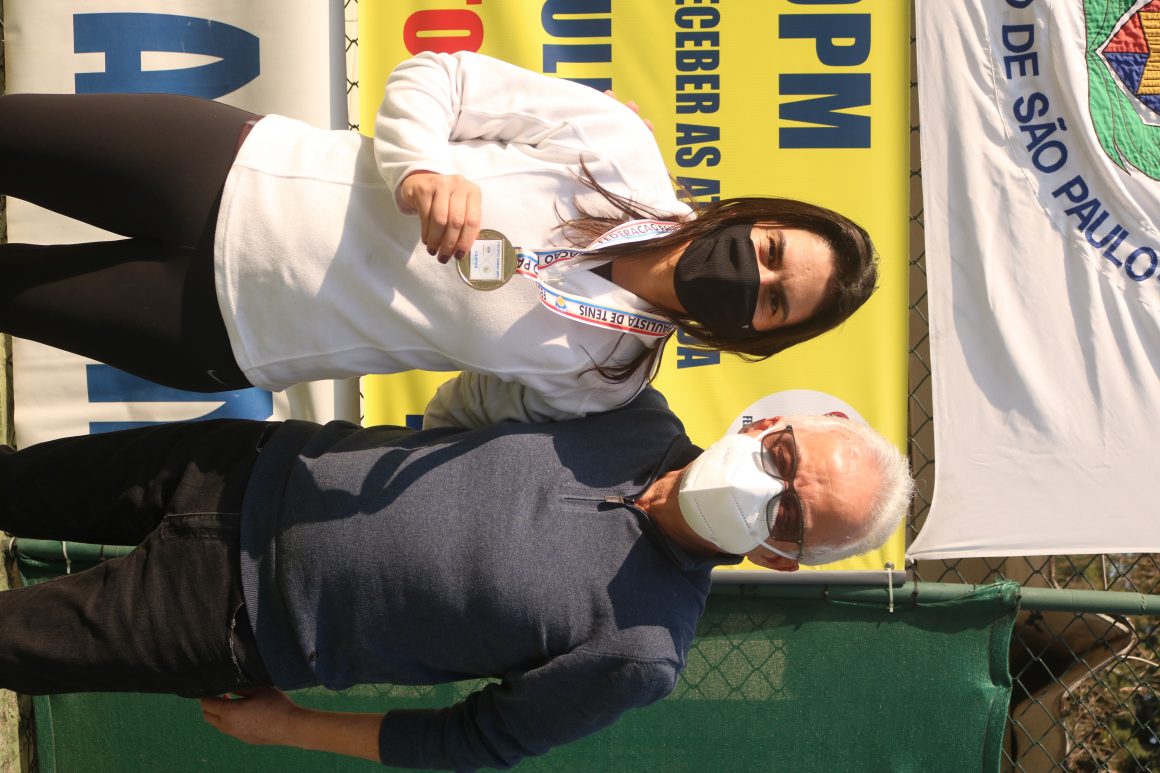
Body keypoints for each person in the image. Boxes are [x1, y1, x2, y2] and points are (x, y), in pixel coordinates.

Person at [0, 390, 913, 769]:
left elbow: (470, 741)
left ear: (781, 558)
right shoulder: (625, 402)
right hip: (246, 464)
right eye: (785, 458)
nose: (768, 488)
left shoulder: (643, 649)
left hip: (231, 617)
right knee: (14, 483)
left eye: (790, 517)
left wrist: (288, 725)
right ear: (766, 423)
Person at [0, 51, 877, 428]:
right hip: (226, 169)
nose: (752, 277)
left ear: (758, 337)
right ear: (756, 217)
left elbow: (468, 413)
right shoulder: (618, 150)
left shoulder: (607, 381)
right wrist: (419, 169)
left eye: (773, 302)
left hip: (227, 333)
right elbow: (439, 78)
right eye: (771, 251)